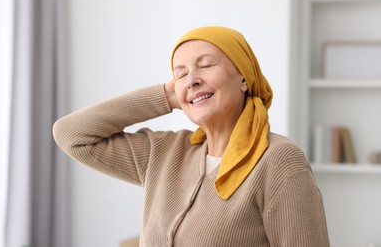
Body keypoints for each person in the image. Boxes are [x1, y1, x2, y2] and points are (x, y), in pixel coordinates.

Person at [53, 26, 330, 246]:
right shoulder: (163, 152)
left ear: (244, 78)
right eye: (181, 73)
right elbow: (72, 134)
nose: (191, 79)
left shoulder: (278, 160)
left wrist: (188, 83)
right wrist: (166, 95)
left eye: (206, 65)